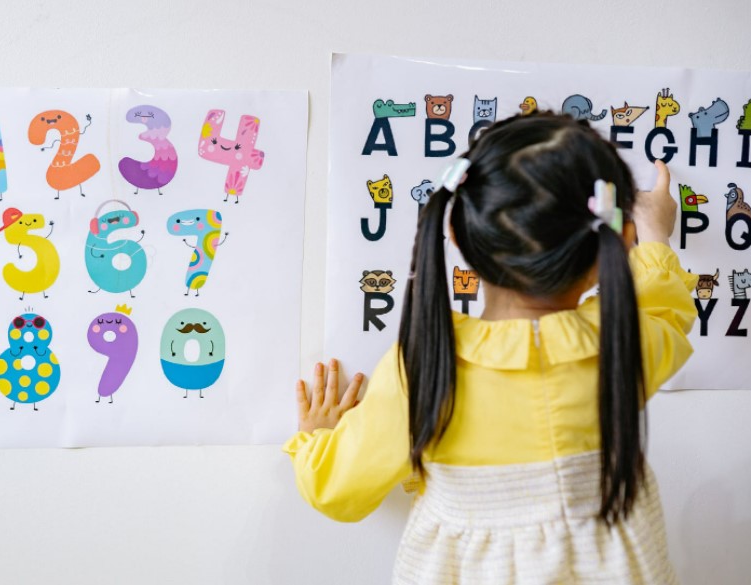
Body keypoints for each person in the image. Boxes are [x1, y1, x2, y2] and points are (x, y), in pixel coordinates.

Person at [283, 112, 698, 584]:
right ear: (616, 242)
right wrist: (656, 236)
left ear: (457, 235)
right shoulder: (625, 340)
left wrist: (316, 439)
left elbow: (337, 488)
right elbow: (666, 311)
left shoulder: (422, 366)